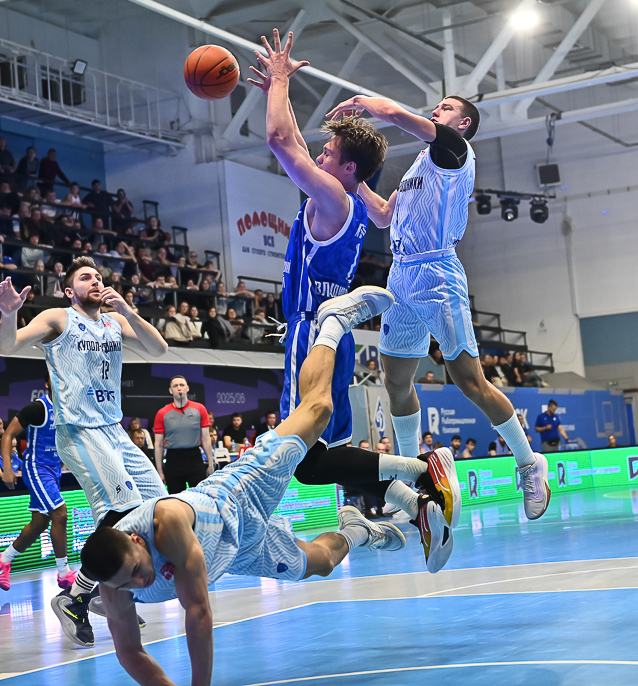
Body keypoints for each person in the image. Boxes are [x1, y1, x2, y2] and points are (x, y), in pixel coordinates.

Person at [79, 287, 405, 686]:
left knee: (319, 410)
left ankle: (333, 324)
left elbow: (198, 613)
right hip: (237, 551)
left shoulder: (166, 523)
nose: (139, 584)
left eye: (135, 571)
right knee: (319, 564)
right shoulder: (115, 588)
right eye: (126, 584)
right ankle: (359, 531)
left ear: (136, 540)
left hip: (240, 491)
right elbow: (130, 652)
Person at [248, 29, 459, 569]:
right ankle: (416, 504)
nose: (319, 153)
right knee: (331, 454)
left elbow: (280, 140)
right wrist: (280, 92)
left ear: (345, 170)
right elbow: (300, 145)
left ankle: (420, 472)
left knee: (302, 460)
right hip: (336, 335)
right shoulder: (355, 202)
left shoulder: (333, 198)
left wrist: (278, 81)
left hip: (310, 331)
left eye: (330, 152)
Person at [330, 88, 551, 523]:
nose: (436, 110)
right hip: (401, 276)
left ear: (462, 123)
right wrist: (351, 184)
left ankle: (529, 463)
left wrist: (361, 101)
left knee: (470, 381)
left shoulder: (455, 149)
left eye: (446, 107)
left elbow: (394, 113)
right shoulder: (418, 166)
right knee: (396, 382)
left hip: (438, 274)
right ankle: (413, 479)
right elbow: (383, 216)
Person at [0, 257, 170, 647]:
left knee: (160, 509)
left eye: (99, 276)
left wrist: (129, 311)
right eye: (86, 277)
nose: (96, 281)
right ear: (69, 290)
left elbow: (159, 348)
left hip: (115, 431)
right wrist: (8, 315)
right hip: (79, 431)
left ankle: (107, 586)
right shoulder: (59, 318)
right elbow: (6, 347)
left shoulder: (115, 321)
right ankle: (75, 598)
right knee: (121, 511)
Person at [0, 380, 78, 593]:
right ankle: (64, 573)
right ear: (48, 383)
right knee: (60, 513)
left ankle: (3, 559)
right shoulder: (38, 408)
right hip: (37, 468)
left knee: (40, 522)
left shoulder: (69, 407)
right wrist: (8, 468)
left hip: (54, 469)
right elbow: (8, 434)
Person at [151, 376, 215, 494]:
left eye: (181, 385)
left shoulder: (200, 409)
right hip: (173, 461)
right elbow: (158, 445)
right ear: (170, 390)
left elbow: (206, 439)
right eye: (175, 386)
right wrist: (159, 472)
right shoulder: (162, 413)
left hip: (195, 458)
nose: (179, 388)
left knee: (199, 497)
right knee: (175, 499)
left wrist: (211, 464)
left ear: (187, 388)